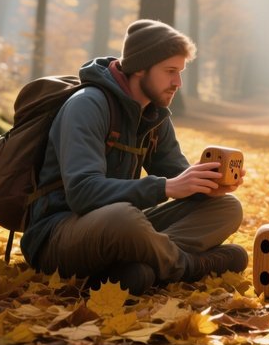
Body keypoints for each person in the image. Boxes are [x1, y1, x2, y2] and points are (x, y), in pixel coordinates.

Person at [20, 19, 248, 294]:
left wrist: (209, 185)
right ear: (140, 68)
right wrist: (165, 187)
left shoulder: (154, 114)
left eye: (180, 72)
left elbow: (178, 177)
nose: (177, 83)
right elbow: (82, 193)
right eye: (170, 71)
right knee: (123, 218)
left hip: (122, 230)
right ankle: (186, 267)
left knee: (227, 207)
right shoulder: (87, 105)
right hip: (58, 235)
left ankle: (142, 269)